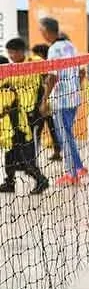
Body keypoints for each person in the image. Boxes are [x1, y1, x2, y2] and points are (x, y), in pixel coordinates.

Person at [38, 18, 86, 185]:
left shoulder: (53, 49)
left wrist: (44, 100)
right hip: (73, 97)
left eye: (41, 30)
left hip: (61, 100)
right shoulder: (70, 46)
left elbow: (52, 77)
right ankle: (79, 167)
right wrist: (75, 87)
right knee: (68, 134)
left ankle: (71, 174)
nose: (40, 33)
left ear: (46, 31)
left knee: (64, 137)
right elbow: (82, 72)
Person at [0, 56, 49, 195]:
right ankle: (9, 182)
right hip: (9, 130)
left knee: (25, 159)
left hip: (18, 129)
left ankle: (41, 180)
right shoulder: (6, 83)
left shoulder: (8, 88)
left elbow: (6, 109)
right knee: (10, 157)